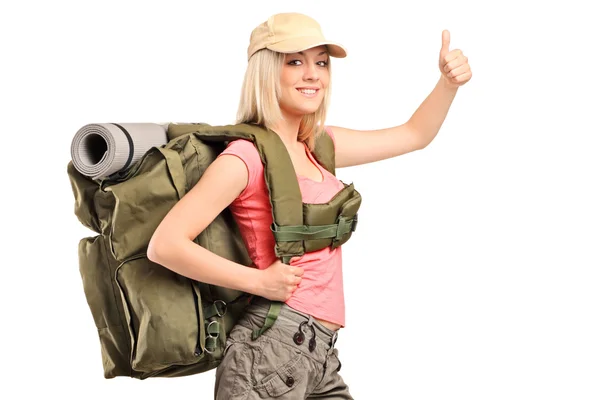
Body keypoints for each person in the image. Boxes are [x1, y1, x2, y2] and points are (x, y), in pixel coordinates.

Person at [147, 11, 471, 400]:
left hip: (319, 355)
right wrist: (258, 281)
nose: (313, 73)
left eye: (321, 62)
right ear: (267, 71)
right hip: (268, 352)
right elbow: (165, 244)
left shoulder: (320, 145)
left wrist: (447, 83)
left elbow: (414, 134)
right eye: (295, 62)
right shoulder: (245, 157)